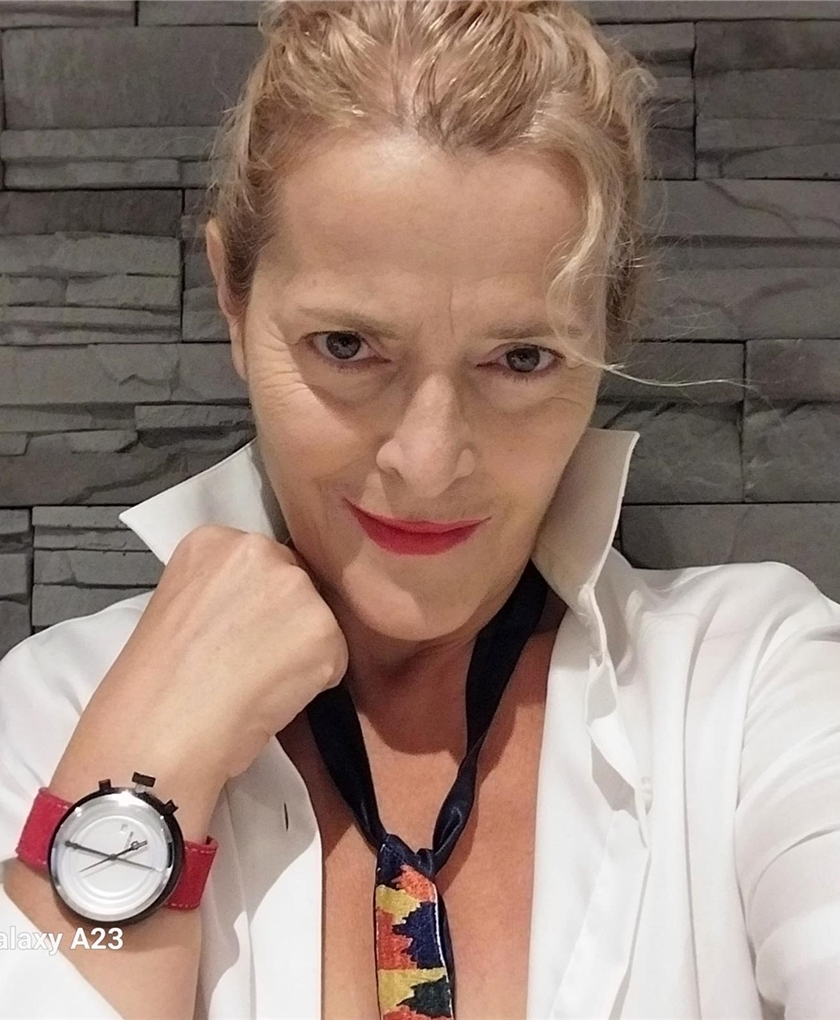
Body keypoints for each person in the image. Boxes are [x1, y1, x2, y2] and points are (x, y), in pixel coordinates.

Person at [1, 1, 839, 1018]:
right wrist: (140, 775)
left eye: (522, 358)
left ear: (606, 333)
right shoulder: (56, 715)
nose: (428, 464)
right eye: (347, 348)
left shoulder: (752, 690)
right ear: (232, 298)